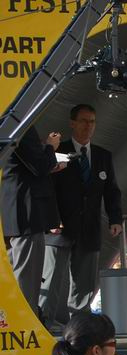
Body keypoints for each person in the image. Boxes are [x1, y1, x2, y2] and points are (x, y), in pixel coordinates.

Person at [40, 104, 123, 327]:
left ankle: (80, 327)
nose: (89, 126)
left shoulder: (103, 156)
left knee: (84, 283)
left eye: (92, 121)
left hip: (89, 228)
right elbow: (48, 188)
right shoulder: (59, 151)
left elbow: (111, 190)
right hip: (59, 228)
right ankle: (47, 324)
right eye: (84, 121)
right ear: (73, 123)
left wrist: (115, 219)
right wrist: (52, 218)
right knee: (52, 280)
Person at [2, 125, 62, 313]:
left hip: (11, 208)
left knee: (15, 272)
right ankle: (26, 322)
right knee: (27, 276)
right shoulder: (20, 125)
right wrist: (51, 147)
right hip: (26, 211)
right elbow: (39, 165)